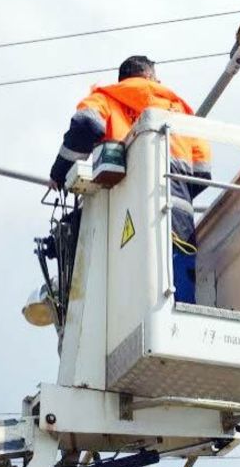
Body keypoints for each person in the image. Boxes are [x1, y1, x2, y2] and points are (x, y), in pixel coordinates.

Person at [49, 55, 210, 303]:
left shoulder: (107, 98)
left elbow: (85, 125)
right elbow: (202, 172)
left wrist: (58, 173)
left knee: (123, 281)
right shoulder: (182, 112)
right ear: (149, 77)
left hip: (122, 208)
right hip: (177, 212)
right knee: (176, 279)